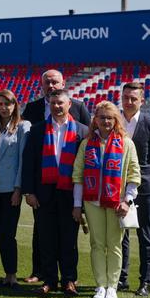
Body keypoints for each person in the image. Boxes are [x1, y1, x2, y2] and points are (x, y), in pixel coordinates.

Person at [21, 69, 91, 283]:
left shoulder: (81, 125)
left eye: (55, 82)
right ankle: (46, 278)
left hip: (71, 190)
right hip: (44, 190)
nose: (56, 105)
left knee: (69, 238)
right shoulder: (37, 125)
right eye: (47, 82)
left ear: (69, 104)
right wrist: (29, 190)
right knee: (45, 237)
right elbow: (29, 161)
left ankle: (69, 279)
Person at [72, 101, 141, 298]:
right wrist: (77, 204)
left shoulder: (126, 143)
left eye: (110, 117)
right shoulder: (86, 144)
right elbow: (78, 175)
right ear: (95, 120)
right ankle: (100, 285)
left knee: (115, 245)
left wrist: (127, 200)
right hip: (92, 202)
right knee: (97, 244)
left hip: (117, 203)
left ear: (115, 120)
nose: (106, 121)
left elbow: (134, 175)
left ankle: (112, 285)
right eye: (102, 117)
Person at [119, 82, 150, 296]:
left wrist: (147, 179)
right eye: (126, 97)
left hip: (144, 189)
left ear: (142, 100)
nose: (128, 102)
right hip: (118, 188)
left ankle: (146, 281)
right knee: (121, 235)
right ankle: (121, 278)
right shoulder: (115, 120)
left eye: (133, 98)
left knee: (144, 235)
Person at [0, 90, 31, 289]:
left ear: (15, 105)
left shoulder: (23, 127)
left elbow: (24, 160)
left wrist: (18, 188)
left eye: (8, 104)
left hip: (9, 186)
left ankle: (12, 274)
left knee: (8, 232)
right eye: (0, 104)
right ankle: (7, 274)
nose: (4, 108)